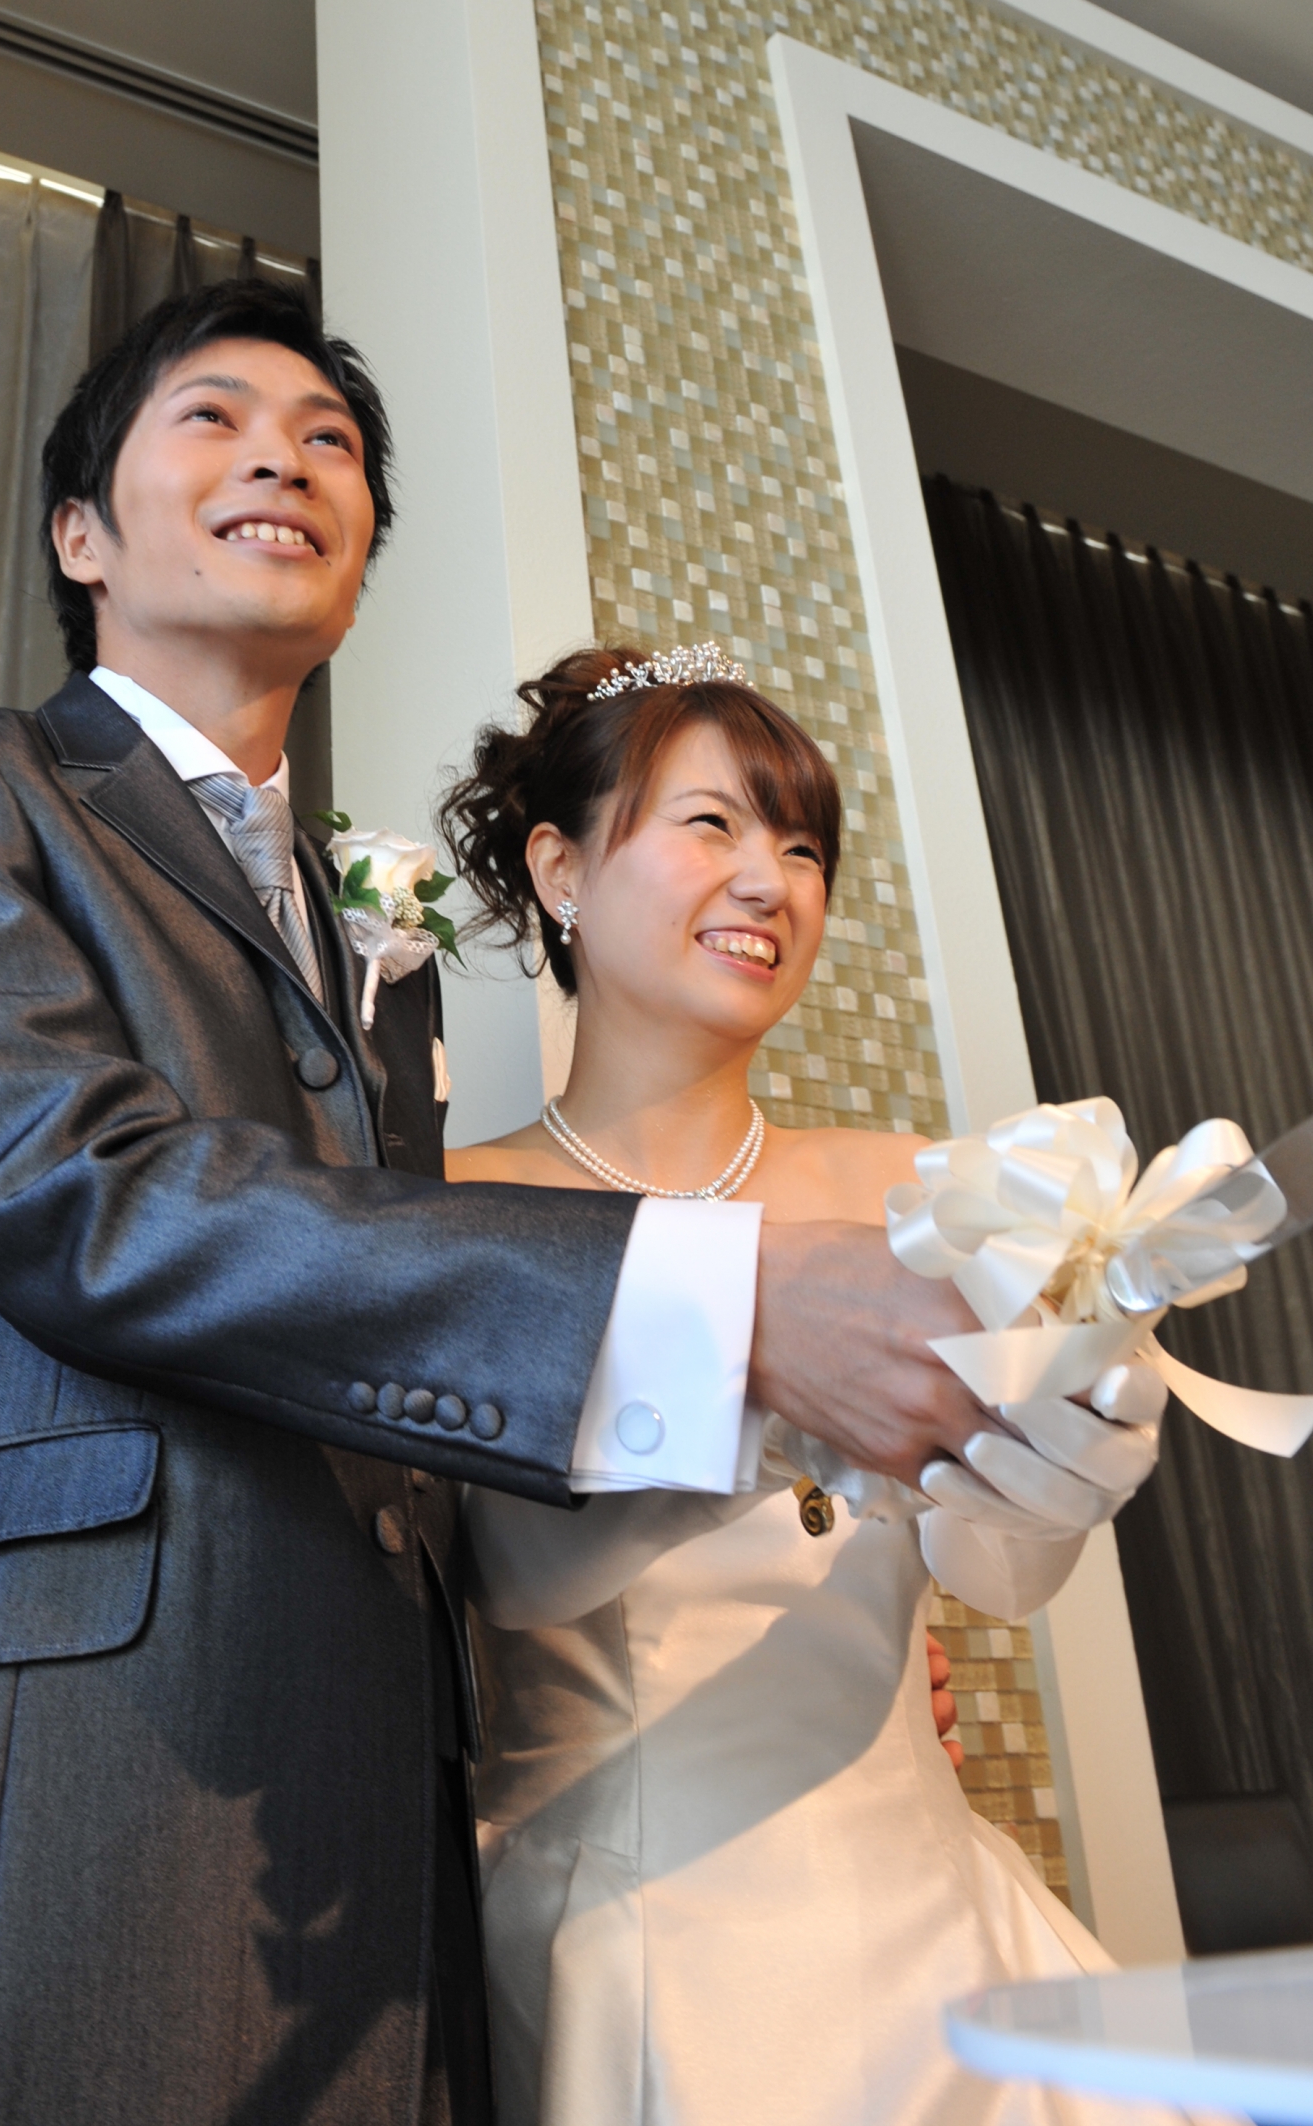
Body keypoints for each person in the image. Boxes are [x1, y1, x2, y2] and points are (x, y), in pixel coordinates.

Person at [0, 284, 1140, 2126]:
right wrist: (732, 1309)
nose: (283, 455)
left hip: (363, 1858)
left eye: (327, 439)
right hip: (39, 1766)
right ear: (80, 533)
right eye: (215, 418)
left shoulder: (371, 974)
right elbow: (85, 1193)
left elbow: (387, 1384)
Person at [442, 647, 1180, 2126]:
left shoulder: (918, 1189)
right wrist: (774, 1392)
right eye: (711, 824)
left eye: (802, 848)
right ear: (561, 870)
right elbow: (489, 1576)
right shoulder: (455, 1211)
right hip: (636, 1936)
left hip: (930, 1912)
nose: (768, 882)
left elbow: (997, 1568)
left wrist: (1077, 1442)